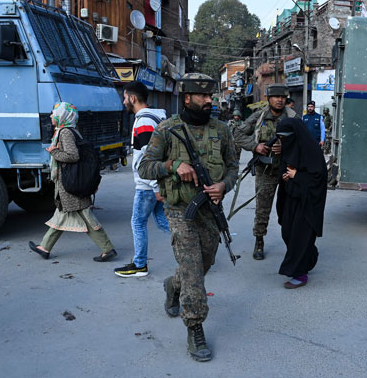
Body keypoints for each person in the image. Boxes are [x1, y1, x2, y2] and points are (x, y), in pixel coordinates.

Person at [138, 73, 238, 362]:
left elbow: (233, 167)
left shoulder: (221, 130)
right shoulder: (167, 130)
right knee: (193, 268)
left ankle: (173, 285)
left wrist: (223, 186)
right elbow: (145, 167)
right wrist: (173, 165)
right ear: (187, 98)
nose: (210, 101)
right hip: (179, 209)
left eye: (211, 96)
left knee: (204, 261)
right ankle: (195, 326)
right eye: (203, 96)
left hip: (209, 210)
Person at [29, 102, 117, 262]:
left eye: (53, 113)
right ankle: (44, 247)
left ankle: (107, 248)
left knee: (84, 216)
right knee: (62, 214)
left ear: (62, 116)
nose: (50, 116)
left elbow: (73, 156)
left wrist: (54, 151)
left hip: (70, 184)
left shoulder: (65, 133)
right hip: (69, 183)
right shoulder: (68, 131)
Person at [233, 84, 297, 260]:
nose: (280, 100)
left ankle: (292, 242)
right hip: (266, 171)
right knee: (262, 209)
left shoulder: (292, 117)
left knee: (290, 208)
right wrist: (256, 146)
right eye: (276, 97)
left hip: (287, 171)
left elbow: (303, 142)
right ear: (268, 99)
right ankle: (259, 240)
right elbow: (237, 134)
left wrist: (286, 147)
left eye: (283, 97)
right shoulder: (259, 116)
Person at [114, 81, 170, 278]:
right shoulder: (154, 117)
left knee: (138, 223)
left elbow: (149, 156)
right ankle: (195, 248)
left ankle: (139, 265)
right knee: (164, 221)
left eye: (124, 97)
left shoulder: (145, 121)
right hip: (153, 182)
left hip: (148, 183)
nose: (123, 102)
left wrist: (155, 187)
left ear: (133, 98)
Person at [276, 118, 327, 289]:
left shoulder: (312, 151)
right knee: (287, 233)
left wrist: (297, 176)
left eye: (286, 137)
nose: (284, 141)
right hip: (291, 199)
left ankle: (300, 274)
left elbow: (318, 178)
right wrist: (285, 176)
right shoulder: (289, 148)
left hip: (308, 204)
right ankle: (310, 256)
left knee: (300, 237)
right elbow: (285, 168)